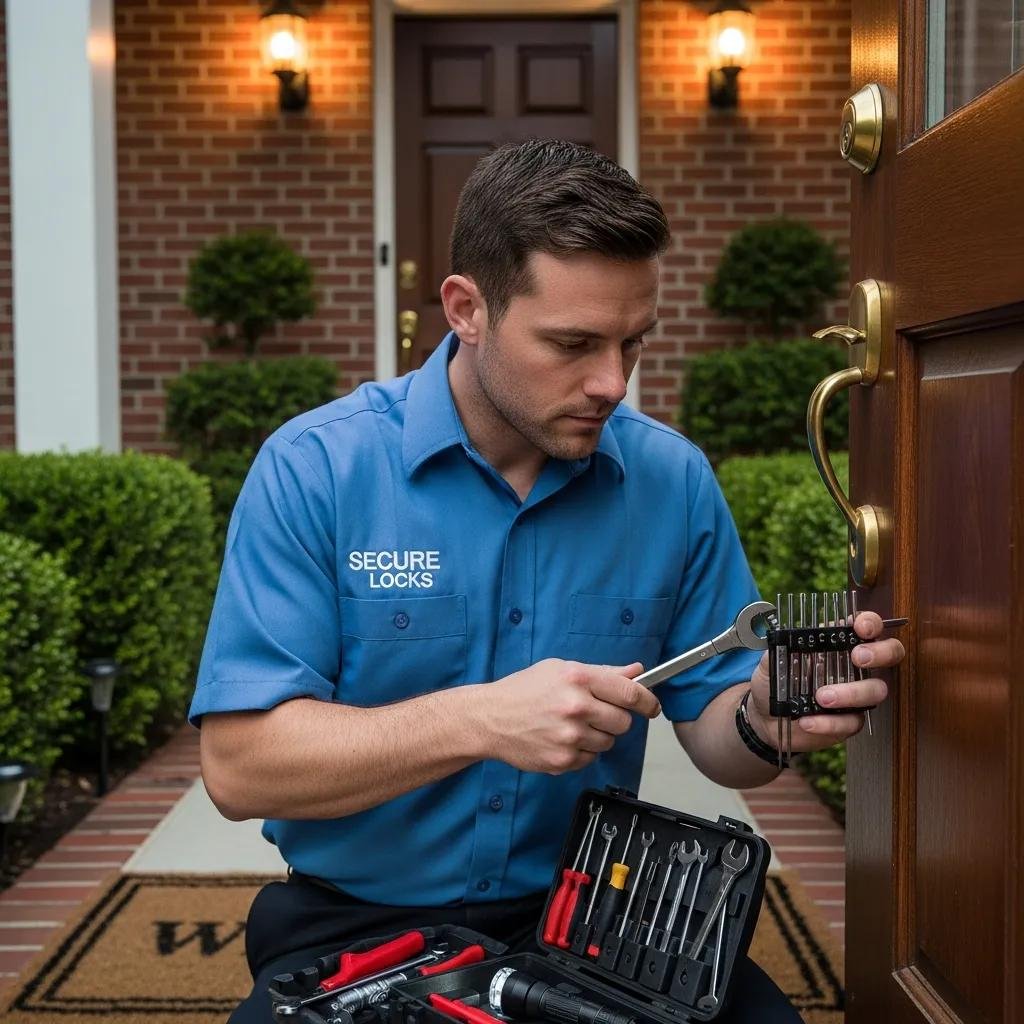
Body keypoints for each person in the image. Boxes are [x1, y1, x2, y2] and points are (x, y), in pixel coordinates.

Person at [189, 139, 904, 1024]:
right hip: (356, 924)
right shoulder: (315, 471)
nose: (611, 382)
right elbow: (240, 767)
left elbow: (721, 738)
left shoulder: (671, 483)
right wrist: (483, 718)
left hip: (599, 911)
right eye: (571, 343)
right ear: (467, 309)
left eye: (632, 343)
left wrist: (765, 714)